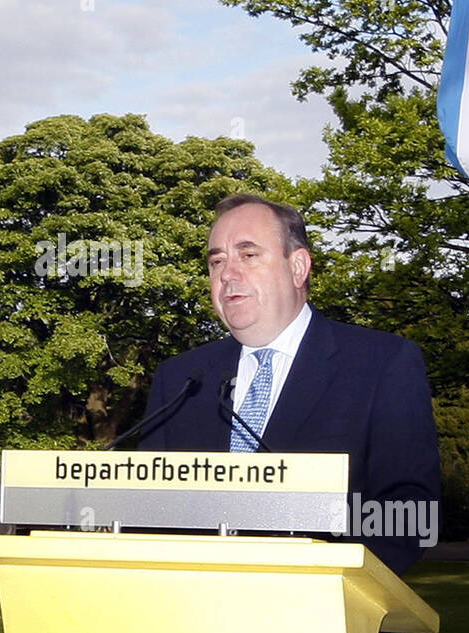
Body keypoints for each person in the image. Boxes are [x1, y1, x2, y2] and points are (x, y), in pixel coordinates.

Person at [137, 194, 440, 578]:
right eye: (217, 262)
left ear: (298, 267)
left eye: (248, 255)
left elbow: (410, 514)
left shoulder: (381, 363)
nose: (227, 274)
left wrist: (316, 577)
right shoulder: (179, 379)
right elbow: (146, 507)